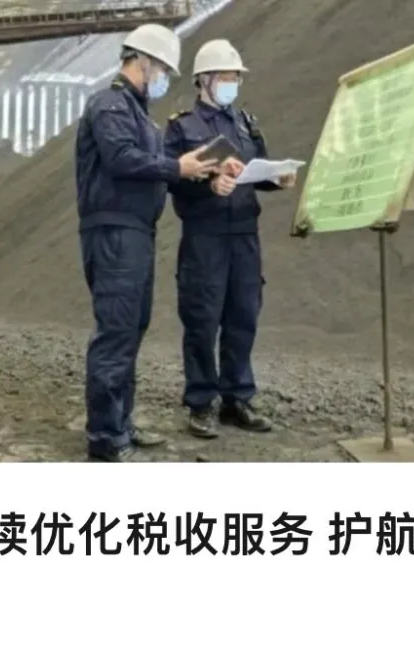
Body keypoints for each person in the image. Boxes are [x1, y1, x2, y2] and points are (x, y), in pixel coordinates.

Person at [75, 24, 218, 462]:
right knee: (116, 333)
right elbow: (121, 159)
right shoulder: (110, 104)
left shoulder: (140, 116)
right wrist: (176, 167)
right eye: (164, 70)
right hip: (114, 231)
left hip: (136, 232)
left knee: (131, 330)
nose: (165, 79)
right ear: (142, 61)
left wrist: (202, 172)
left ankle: (120, 422)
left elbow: (157, 168)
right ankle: (105, 440)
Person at [164, 39, 297, 440]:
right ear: (204, 79)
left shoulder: (245, 123)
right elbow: (170, 179)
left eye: (236, 77)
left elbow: (257, 170)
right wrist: (208, 187)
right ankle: (201, 402)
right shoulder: (181, 127)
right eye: (226, 76)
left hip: (244, 235)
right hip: (204, 236)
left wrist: (278, 178)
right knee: (202, 320)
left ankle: (237, 398)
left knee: (243, 316)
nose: (232, 83)